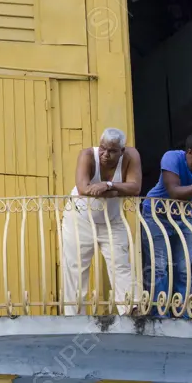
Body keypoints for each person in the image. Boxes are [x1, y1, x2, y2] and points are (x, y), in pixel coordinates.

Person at [141, 132, 192, 317]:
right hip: (156, 214)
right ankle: (159, 314)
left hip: (185, 217)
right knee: (159, 267)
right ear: (189, 153)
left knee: (184, 269)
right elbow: (174, 191)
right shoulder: (172, 158)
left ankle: (182, 315)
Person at [61, 128, 142, 316]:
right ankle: (73, 317)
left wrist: (108, 185)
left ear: (122, 151)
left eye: (112, 151)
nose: (105, 154)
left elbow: (135, 187)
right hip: (79, 217)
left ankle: (131, 310)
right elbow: (83, 188)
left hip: (112, 220)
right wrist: (118, 191)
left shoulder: (131, 156)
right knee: (76, 267)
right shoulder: (88, 155)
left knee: (120, 263)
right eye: (103, 149)